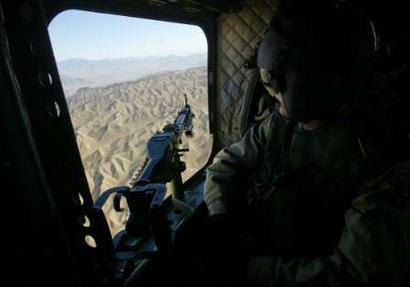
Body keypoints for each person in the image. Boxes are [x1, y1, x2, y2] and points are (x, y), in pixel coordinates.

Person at [203, 5, 410, 287]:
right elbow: (226, 163)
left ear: (312, 85)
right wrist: (220, 216)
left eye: (278, 88)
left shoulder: (379, 158)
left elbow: (354, 274)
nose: (272, 95)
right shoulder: (281, 125)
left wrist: (249, 270)